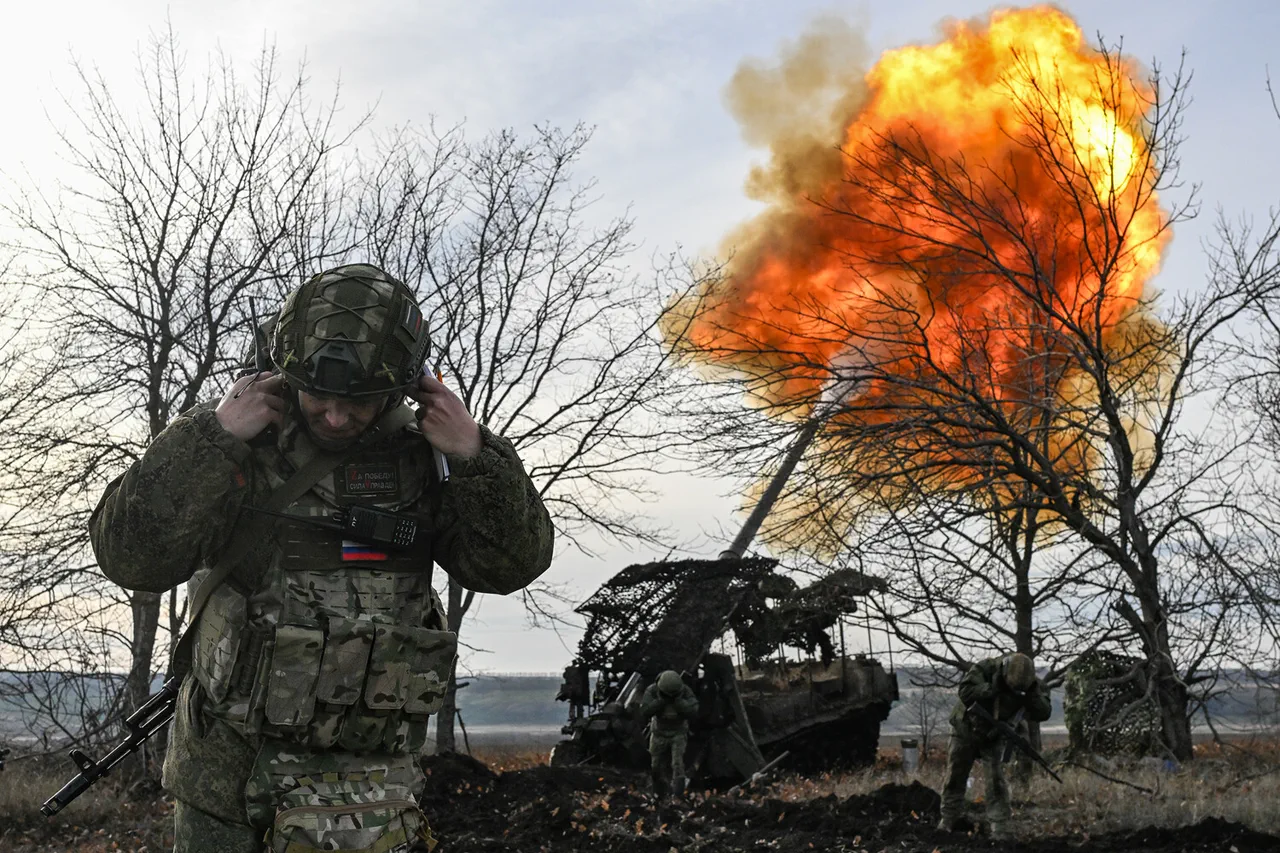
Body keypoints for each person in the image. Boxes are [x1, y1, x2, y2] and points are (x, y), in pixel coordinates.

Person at [90, 264, 554, 853]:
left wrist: (476, 454)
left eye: (358, 402)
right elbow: (130, 558)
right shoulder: (233, 440)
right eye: (318, 395)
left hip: (373, 796)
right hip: (230, 791)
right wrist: (212, 436)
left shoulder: (429, 455)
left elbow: (511, 566)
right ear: (286, 372)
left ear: (402, 387)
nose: (335, 417)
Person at [937, 652, 1052, 841]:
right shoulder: (986, 669)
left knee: (996, 781)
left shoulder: (1031, 685)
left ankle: (1000, 827)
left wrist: (1031, 697)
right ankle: (949, 819)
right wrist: (991, 690)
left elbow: (1044, 712)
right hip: (966, 728)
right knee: (955, 775)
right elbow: (965, 692)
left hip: (995, 735)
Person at [639, 670, 699, 798]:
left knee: (677, 764)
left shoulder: (685, 691)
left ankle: (678, 794)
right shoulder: (652, 690)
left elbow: (693, 711)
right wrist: (660, 702)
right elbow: (645, 711)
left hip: (678, 732)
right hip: (659, 732)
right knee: (655, 764)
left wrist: (679, 702)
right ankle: (658, 792)